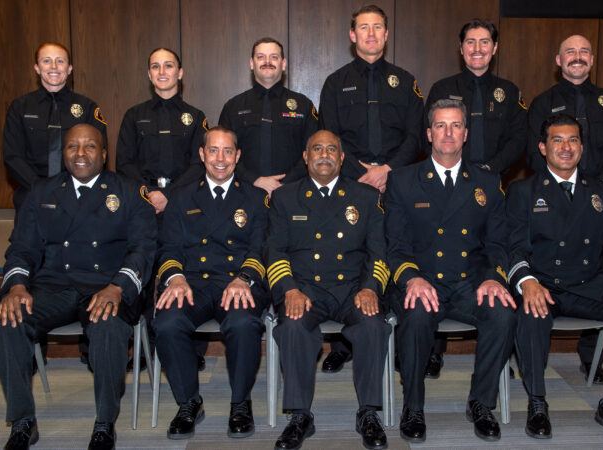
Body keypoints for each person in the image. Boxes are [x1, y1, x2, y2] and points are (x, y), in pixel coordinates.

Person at [0, 124, 156, 450]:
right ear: (63, 153)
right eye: (72, 147)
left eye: (90, 147)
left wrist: (119, 286)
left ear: (104, 154)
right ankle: (23, 421)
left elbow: (144, 248)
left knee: (108, 324)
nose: (80, 154)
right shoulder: (42, 193)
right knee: (7, 322)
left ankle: (104, 423)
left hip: (106, 285)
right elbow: (21, 248)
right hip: (55, 285)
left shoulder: (128, 191)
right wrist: (17, 285)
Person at [507, 114, 603, 440]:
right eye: (557, 140)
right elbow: (513, 249)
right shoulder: (523, 192)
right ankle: (538, 402)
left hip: (589, 283)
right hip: (543, 283)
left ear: (582, 147)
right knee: (530, 311)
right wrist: (527, 282)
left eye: (573, 140)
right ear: (543, 148)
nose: (566, 147)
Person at [384, 99, 516, 443]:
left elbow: (498, 243)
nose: (448, 133)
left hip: (470, 281)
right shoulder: (403, 180)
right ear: (429, 133)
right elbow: (394, 245)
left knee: (502, 313)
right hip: (422, 279)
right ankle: (413, 406)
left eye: (456, 125)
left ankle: (481, 403)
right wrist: (411, 278)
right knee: (414, 316)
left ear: (466, 134)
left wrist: (492, 277)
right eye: (441, 126)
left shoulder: (487, 182)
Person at [264, 130, 392, 450]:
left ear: (341, 157)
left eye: (331, 149)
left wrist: (371, 287)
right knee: (292, 326)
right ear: (305, 157)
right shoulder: (284, 197)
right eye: (317, 149)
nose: (324, 154)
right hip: (306, 288)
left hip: (352, 288)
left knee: (373, 325)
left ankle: (368, 413)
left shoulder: (365, 196)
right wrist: (289, 289)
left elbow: (380, 253)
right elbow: (275, 252)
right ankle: (300, 415)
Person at [318, 2, 423, 375]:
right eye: (364, 27)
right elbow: (328, 139)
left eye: (378, 27)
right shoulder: (335, 82)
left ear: (386, 34)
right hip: (349, 182)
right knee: (348, 255)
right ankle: (343, 344)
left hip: (398, 182)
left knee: (394, 251)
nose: (371, 33)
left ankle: (395, 335)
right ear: (352, 35)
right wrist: (362, 174)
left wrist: (388, 170)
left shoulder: (406, 81)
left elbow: (416, 135)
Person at [526, 34, 603, 382]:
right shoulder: (543, 102)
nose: (577, 57)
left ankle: (592, 356)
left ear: (592, 59)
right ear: (558, 61)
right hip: (555, 196)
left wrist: (601, 189)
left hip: (599, 199)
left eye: (584, 52)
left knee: (597, 272)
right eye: (570, 52)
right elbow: (533, 151)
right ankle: (529, 359)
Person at [423, 18, 527, 377]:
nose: (478, 48)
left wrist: (490, 170)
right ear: (461, 48)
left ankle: (501, 350)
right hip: (449, 185)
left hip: (493, 186)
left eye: (485, 42)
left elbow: (519, 139)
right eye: (471, 42)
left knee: (492, 252)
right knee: (442, 252)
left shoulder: (509, 91)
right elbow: (437, 136)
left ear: (494, 49)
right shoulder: (443, 88)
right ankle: (432, 350)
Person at [152, 126, 269, 440]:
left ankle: (240, 403)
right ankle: (189, 402)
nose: (221, 159)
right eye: (213, 151)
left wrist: (244, 278)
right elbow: (169, 248)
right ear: (202, 155)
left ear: (238, 156)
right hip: (192, 283)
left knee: (244, 323)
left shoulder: (256, 198)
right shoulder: (181, 197)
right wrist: (174, 278)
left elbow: (261, 249)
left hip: (238, 281)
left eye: (228, 151)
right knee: (167, 323)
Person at [116, 47, 209, 371]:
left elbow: (201, 165)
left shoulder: (196, 117)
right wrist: (149, 194)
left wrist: (169, 194)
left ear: (180, 73)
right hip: (143, 204)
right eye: (155, 66)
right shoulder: (134, 115)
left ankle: (192, 349)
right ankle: (144, 347)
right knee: (144, 271)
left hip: (182, 203)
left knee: (189, 267)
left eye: (168, 65)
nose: (162, 71)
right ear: (149, 73)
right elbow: (124, 163)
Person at [3, 42, 107, 213]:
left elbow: (98, 154)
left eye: (60, 61)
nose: (53, 67)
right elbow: (12, 156)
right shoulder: (20, 107)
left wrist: (70, 187)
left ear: (69, 68)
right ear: (37, 68)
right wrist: (39, 187)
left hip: (77, 191)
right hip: (32, 190)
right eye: (46, 61)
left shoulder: (88, 107)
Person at [219, 37, 318, 197]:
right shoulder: (233, 106)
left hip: (293, 193)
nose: (267, 61)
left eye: (274, 57)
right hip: (244, 193)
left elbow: (313, 151)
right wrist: (255, 180)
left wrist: (283, 184)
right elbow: (223, 154)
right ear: (252, 63)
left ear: (283, 64)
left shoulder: (303, 105)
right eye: (260, 57)